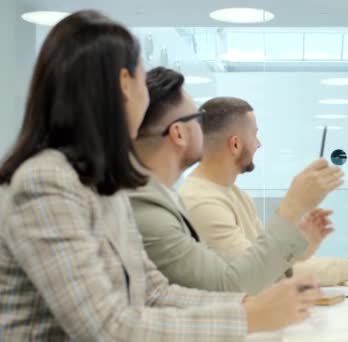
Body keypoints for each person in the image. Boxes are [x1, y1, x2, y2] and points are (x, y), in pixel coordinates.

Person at [0, 10, 322, 341]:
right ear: (125, 83)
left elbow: (154, 293)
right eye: (142, 79)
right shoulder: (45, 182)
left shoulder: (104, 185)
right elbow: (106, 328)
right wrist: (248, 316)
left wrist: (250, 305)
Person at [130, 66, 342, 294]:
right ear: (178, 133)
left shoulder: (170, 198)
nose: (204, 129)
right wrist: (294, 204)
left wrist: (301, 243)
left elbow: (255, 267)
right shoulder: (166, 206)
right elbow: (237, 282)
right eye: (197, 119)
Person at [179, 97, 348, 286]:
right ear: (235, 144)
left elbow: (272, 264)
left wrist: (346, 262)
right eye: (255, 135)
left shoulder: (237, 196)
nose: (259, 144)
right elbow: (259, 274)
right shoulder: (201, 202)